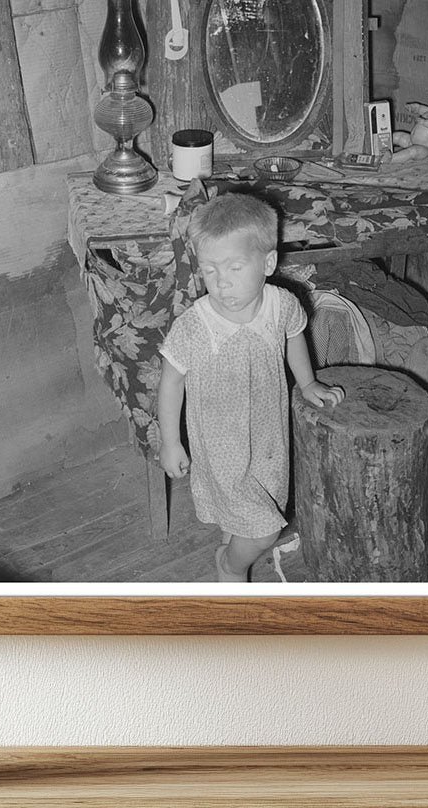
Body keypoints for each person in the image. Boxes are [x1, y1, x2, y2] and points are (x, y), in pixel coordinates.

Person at [157, 193, 344, 583]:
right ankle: (231, 564)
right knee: (265, 530)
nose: (221, 284)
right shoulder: (195, 326)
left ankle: (233, 545)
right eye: (209, 271)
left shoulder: (281, 304)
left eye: (234, 268)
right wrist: (171, 441)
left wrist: (307, 382)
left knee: (257, 505)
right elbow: (171, 381)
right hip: (221, 446)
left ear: (268, 263)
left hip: (268, 437)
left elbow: (294, 335)